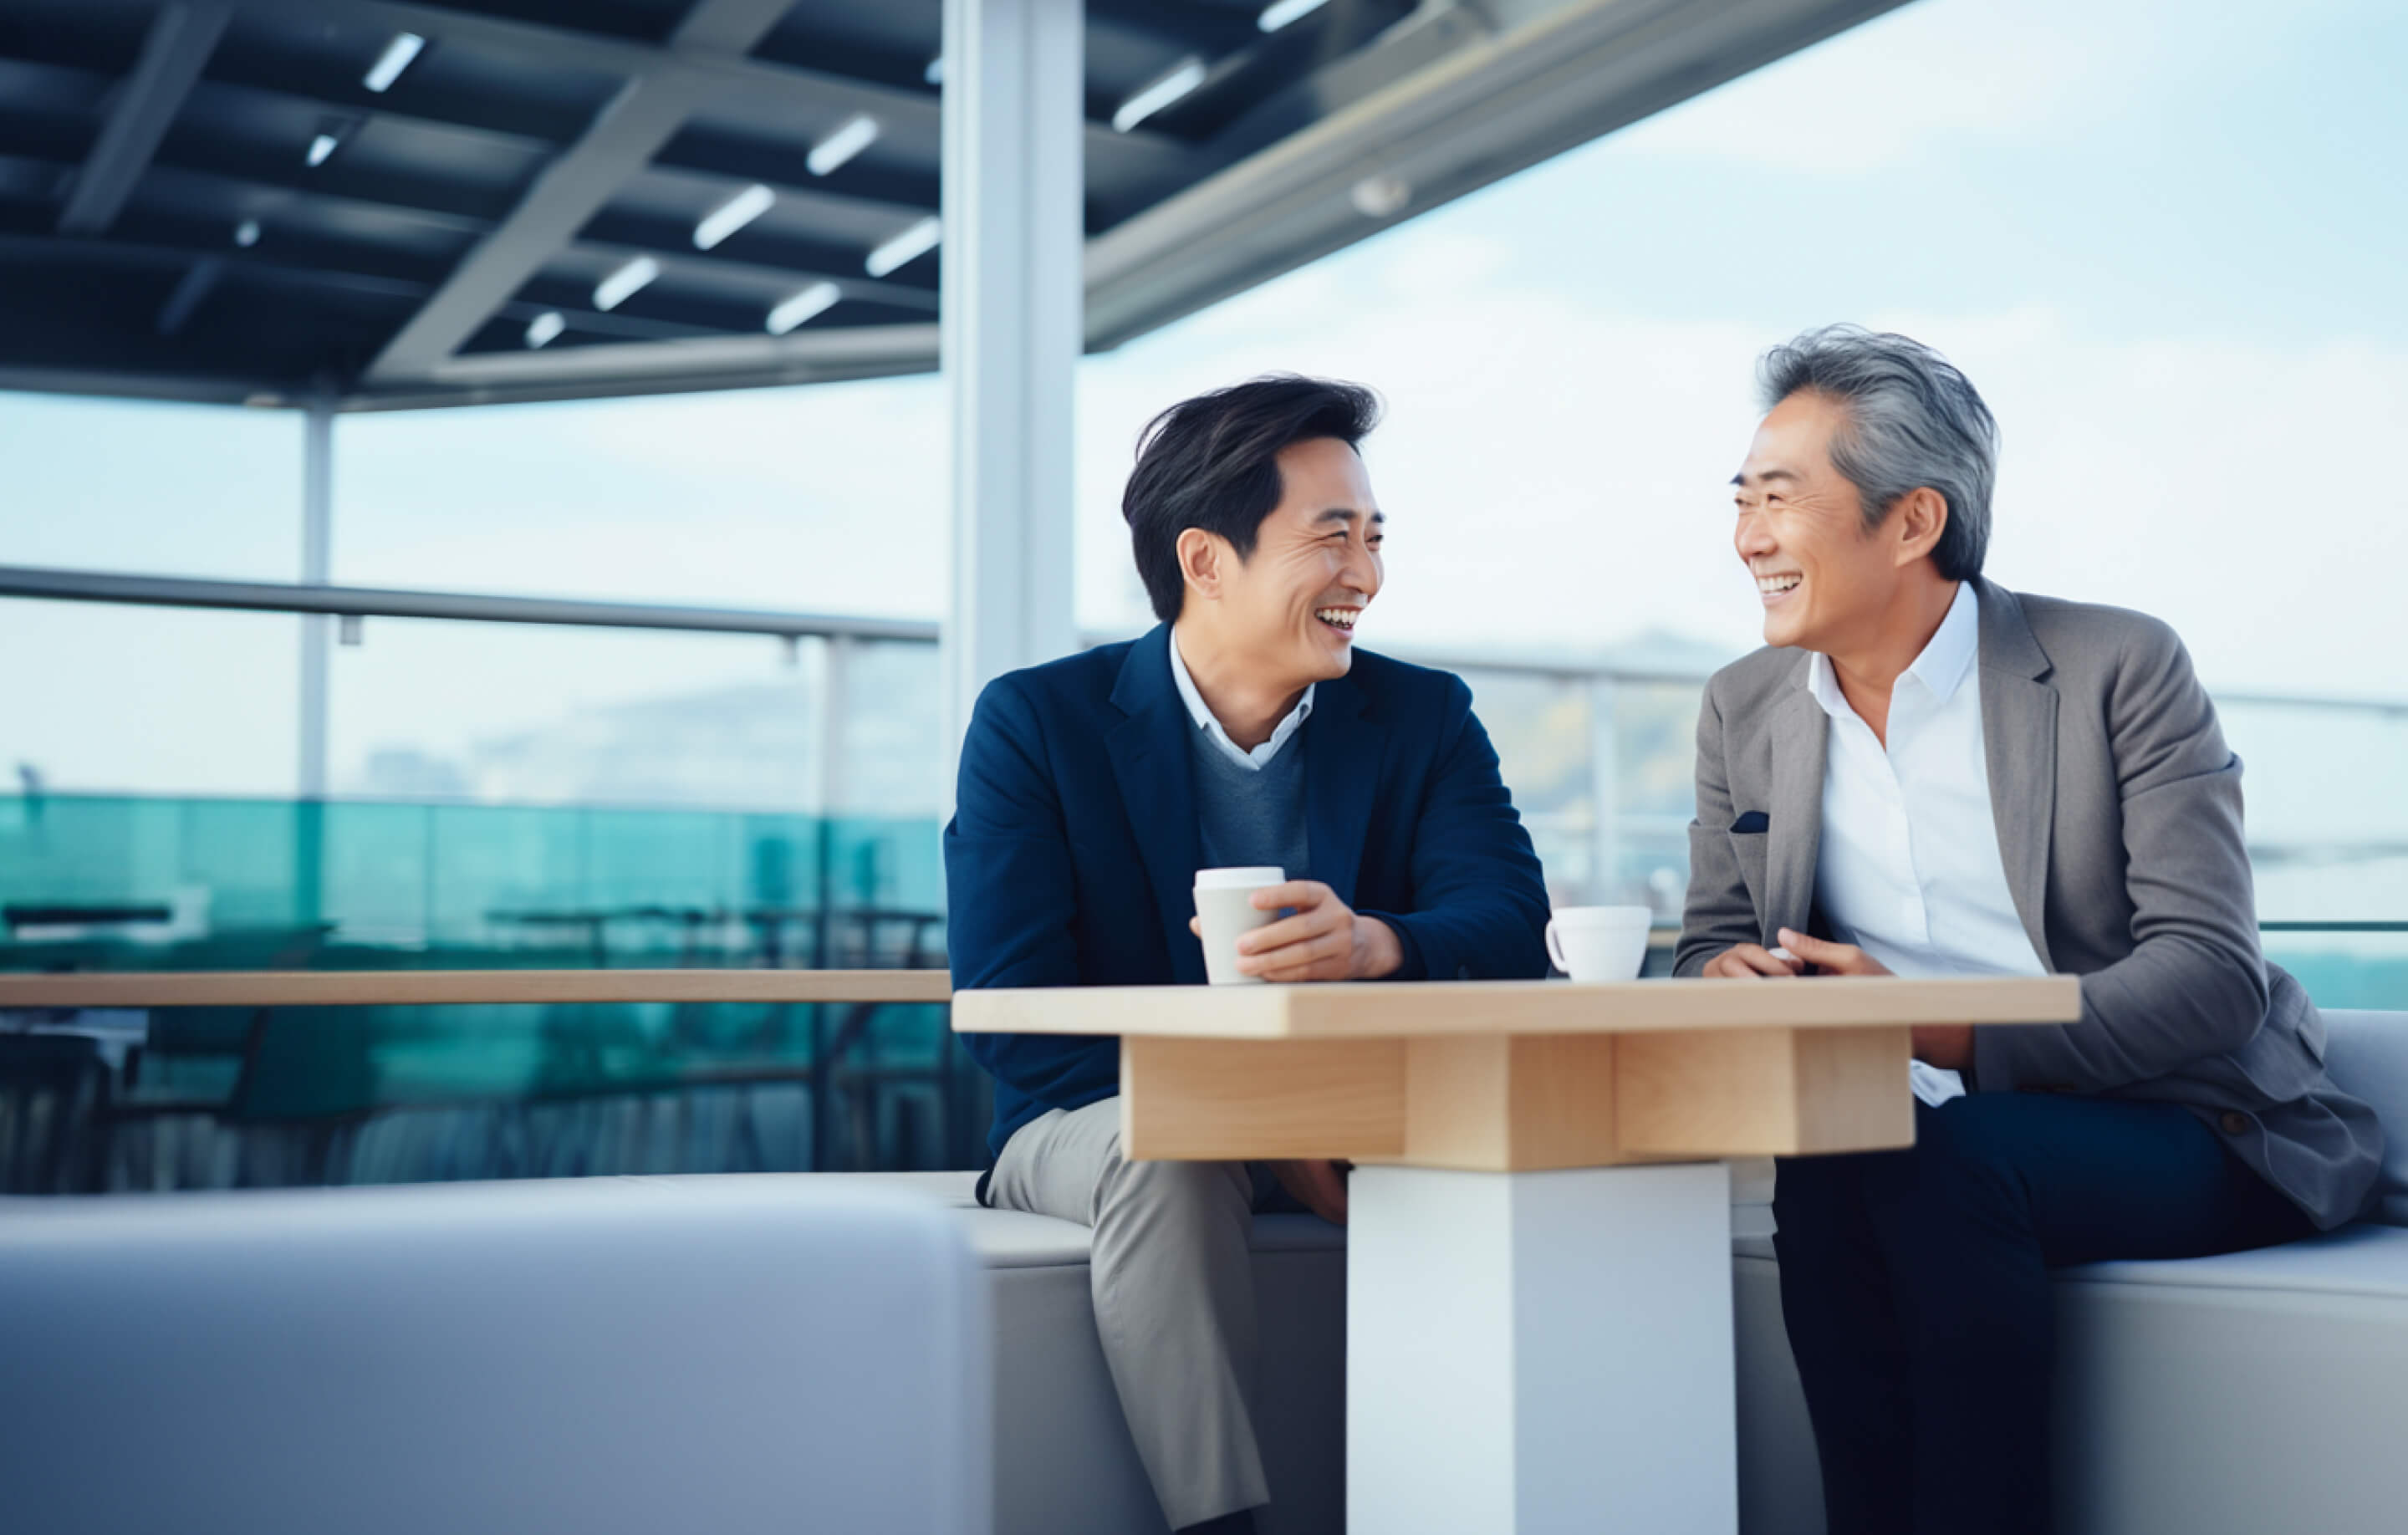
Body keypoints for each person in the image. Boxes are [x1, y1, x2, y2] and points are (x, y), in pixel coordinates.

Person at [1676, 324, 2383, 1534]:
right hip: (1910, 1136)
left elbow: (2211, 978)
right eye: (1741, 498)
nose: (1748, 535)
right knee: (1844, 1159)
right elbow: (1708, 941)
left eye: (1781, 499)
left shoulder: (2116, 665)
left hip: (2193, 1121)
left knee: (1940, 1160)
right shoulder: (1744, 706)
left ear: (1913, 522)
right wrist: (1729, 971)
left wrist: (1941, 1030)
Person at [944, 375, 1550, 1535]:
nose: (1365, 576)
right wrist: (1272, 1120)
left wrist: (1377, 944)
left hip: (1359, 1111)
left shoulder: (1421, 717)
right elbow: (1013, 1010)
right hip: (1090, 1116)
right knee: (1165, 1151)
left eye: (1374, 539)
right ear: (1206, 560)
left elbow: (1511, 926)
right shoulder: (1037, 721)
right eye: (1332, 539)